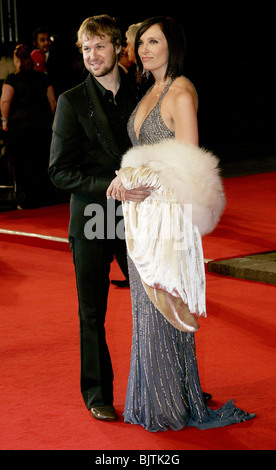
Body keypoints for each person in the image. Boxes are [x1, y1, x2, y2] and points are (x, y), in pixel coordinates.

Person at [106, 16, 256, 432]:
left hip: (168, 218)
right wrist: (124, 179)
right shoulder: (151, 91)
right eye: (142, 43)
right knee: (145, 307)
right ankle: (155, 400)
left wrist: (137, 178)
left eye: (155, 42)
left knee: (163, 305)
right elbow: (149, 155)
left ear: (173, 45)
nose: (145, 50)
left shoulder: (181, 91)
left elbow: (189, 162)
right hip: (144, 217)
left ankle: (169, 406)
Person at [48, 15, 150, 422]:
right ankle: (97, 394)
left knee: (155, 304)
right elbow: (59, 170)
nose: (92, 56)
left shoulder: (143, 93)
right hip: (92, 215)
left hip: (138, 217)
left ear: (117, 48)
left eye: (100, 47)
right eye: (86, 49)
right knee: (92, 312)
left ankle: (165, 382)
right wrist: (111, 184)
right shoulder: (72, 101)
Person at [0, 44, 56, 209]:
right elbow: (52, 101)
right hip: (42, 126)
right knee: (42, 161)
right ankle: (45, 196)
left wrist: (4, 120)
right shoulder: (43, 78)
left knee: (22, 163)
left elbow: (5, 101)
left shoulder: (12, 79)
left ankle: (26, 198)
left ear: (17, 60)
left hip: (20, 128)